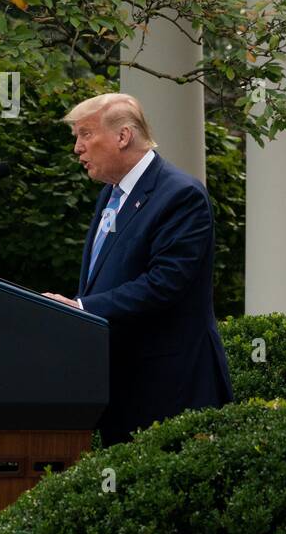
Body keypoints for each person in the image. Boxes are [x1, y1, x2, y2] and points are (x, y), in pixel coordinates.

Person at [42, 92, 232, 446]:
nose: (77, 149)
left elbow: (164, 284)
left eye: (85, 134)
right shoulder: (111, 195)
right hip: (122, 389)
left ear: (123, 136)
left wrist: (82, 309)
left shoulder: (180, 195)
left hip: (170, 391)